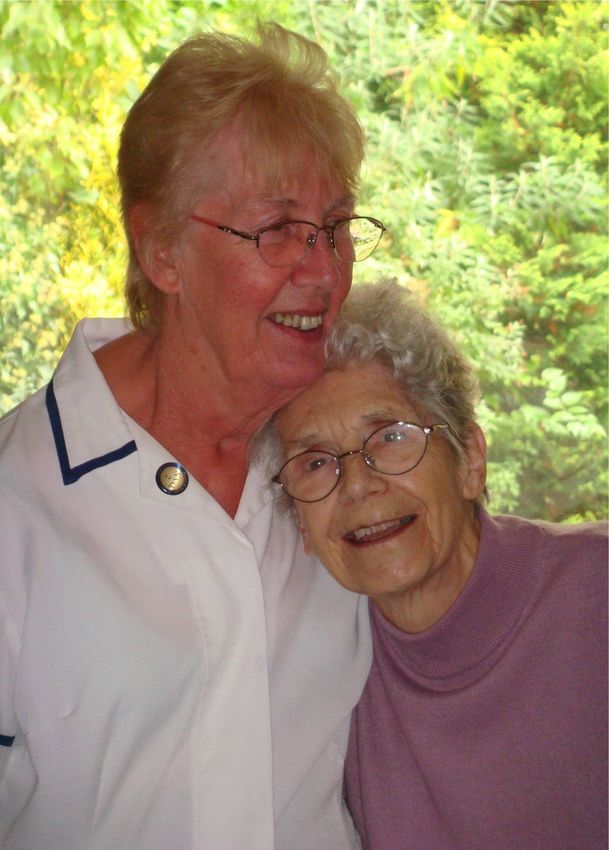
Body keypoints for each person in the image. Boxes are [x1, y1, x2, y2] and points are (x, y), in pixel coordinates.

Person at [0, 24, 388, 850]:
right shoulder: (19, 504)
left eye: (335, 225)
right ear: (162, 250)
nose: (323, 270)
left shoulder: (348, 468)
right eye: (275, 229)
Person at [270, 279, 608, 850]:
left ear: (470, 460)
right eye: (316, 463)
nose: (357, 485)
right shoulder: (319, 675)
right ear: (300, 522)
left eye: (390, 436)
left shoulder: (594, 595)